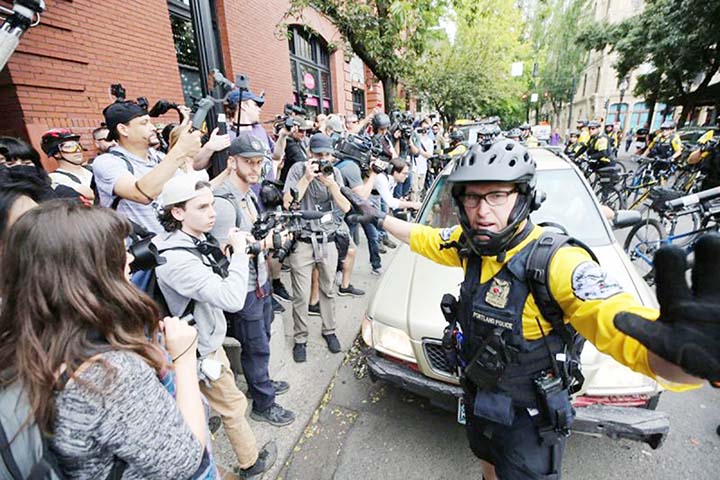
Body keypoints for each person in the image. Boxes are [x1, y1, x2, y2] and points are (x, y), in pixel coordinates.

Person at [345, 139, 706, 480]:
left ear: (525, 198)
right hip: (480, 401)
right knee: (487, 464)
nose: (482, 211)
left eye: (498, 195)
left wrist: (688, 359)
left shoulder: (557, 262)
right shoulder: (470, 244)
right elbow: (424, 238)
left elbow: (621, 326)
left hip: (529, 423)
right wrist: (379, 218)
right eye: (472, 198)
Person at [0, 201, 218, 477]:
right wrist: (184, 358)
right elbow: (187, 462)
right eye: (117, 251)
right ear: (86, 273)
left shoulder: (26, 340)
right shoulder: (107, 377)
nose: (130, 258)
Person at [154, 175, 277, 477]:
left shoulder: (177, 241)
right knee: (233, 404)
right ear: (177, 212)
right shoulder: (176, 259)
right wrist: (240, 254)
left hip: (194, 339)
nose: (213, 213)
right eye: (203, 207)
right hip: (200, 349)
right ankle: (251, 462)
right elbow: (232, 298)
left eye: (212, 204)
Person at [211, 133, 296, 426]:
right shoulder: (223, 201)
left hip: (259, 281)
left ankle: (262, 382)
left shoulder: (248, 193)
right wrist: (266, 245)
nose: (256, 168)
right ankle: (263, 402)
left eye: (260, 162)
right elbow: (225, 252)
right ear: (232, 162)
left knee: (264, 338)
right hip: (243, 287)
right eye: (249, 162)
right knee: (255, 345)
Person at [283, 133, 351, 363]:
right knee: (301, 295)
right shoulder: (297, 169)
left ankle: (329, 330)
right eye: (318, 155)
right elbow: (288, 204)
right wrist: (306, 178)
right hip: (302, 239)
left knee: (328, 289)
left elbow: (346, 207)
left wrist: (332, 185)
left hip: (327, 239)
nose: (323, 160)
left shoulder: (336, 173)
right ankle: (300, 338)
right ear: (309, 153)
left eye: (327, 155)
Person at [92, 99, 202, 233]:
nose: (153, 128)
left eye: (150, 121)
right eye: (144, 123)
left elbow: (188, 190)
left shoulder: (159, 158)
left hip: (174, 242)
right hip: (140, 249)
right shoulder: (107, 162)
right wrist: (180, 150)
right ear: (123, 129)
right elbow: (142, 194)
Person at [41, 128, 94, 202]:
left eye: (78, 145)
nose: (77, 150)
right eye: (69, 147)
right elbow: (91, 194)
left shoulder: (91, 168)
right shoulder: (55, 177)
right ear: (56, 153)